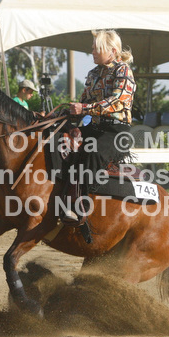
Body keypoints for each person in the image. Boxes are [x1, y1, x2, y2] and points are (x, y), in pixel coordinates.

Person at [63, 29, 137, 223]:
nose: (93, 52)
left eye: (97, 48)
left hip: (116, 130)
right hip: (95, 127)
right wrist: (68, 113)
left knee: (94, 153)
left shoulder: (123, 70)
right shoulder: (93, 73)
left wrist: (85, 108)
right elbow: (84, 101)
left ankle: (80, 205)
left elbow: (118, 101)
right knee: (60, 140)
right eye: (93, 48)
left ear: (112, 51)